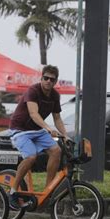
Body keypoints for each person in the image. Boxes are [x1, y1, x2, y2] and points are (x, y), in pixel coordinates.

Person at [8, 65, 70, 210]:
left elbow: (57, 118)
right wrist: (48, 129)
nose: (48, 81)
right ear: (41, 78)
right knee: (31, 157)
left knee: (56, 151)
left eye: (52, 79)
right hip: (20, 129)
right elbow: (33, 113)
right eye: (45, 78)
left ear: (55, 82)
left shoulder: (55, 95)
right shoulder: (33, 91)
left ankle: (48, 191)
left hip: (37, 129)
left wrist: (65, 136)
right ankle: (13, 191)